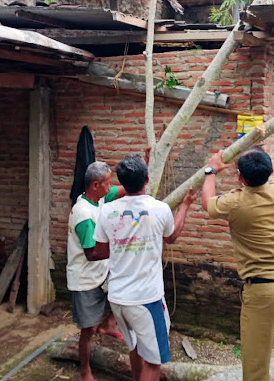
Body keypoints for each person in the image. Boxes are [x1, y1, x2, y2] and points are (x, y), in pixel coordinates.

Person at [201, 126, 274, 381]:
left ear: (240, 178)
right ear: (272, 172)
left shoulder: (236, 202)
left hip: (263, 291)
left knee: (256, 367)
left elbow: (208, 204)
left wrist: (211, 170)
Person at [90, 154, 196, 381]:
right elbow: (172, 236)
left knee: (135, 347)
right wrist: (186, 205)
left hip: (118, 298)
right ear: (146, 180)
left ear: (121, 182)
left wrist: (123, 247)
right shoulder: (160, 209)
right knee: (153, 362)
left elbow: (99, 251)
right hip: (147, 300)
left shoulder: (107, 211)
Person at [66, 161, 127, 381]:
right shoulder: (84, 215)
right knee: (88, 330)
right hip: (86, 278)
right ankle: (85, 370)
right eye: (107, 183)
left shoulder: (99, 198)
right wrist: (121, 247)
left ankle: (108, 324)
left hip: (102, 270)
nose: (110, 186)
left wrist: (143, 169)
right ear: (95, 184)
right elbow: (91, 254)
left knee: (125, 286)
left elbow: (123, 189)